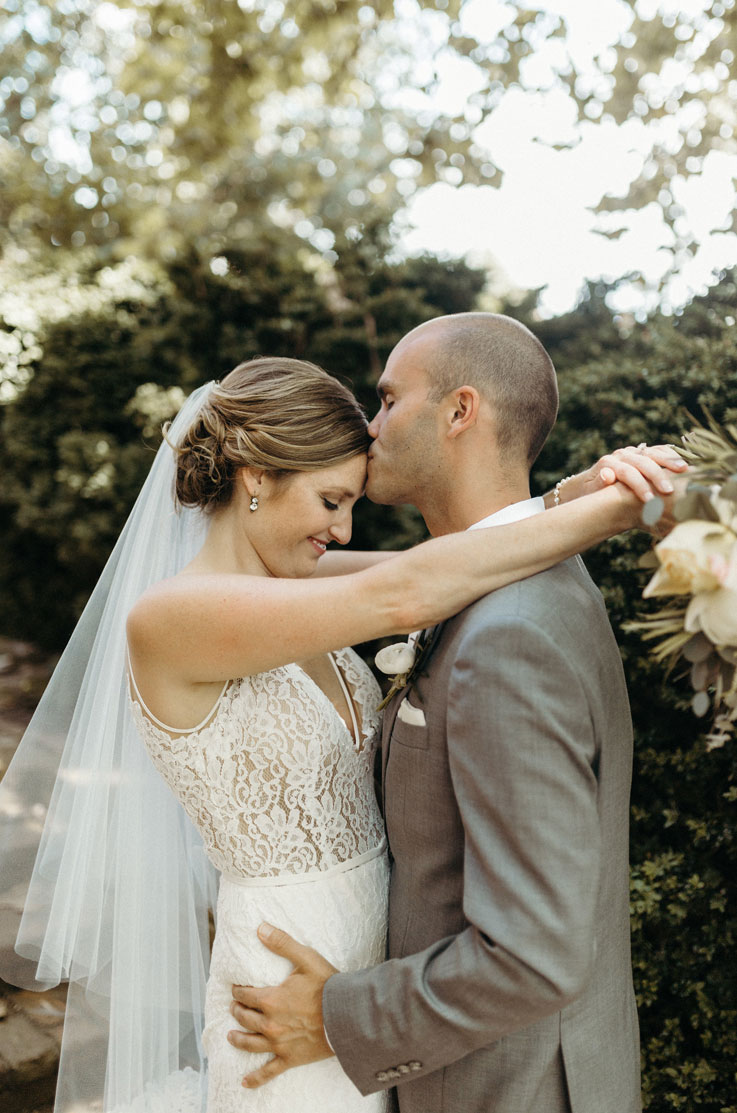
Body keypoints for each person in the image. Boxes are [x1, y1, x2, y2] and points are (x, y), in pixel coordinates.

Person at [0, 351, 676, 1113]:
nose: (342, 527)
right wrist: (625, 511)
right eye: (329, 500)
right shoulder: (172, 615)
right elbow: (405, 592)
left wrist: (568, 495)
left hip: (365, 978)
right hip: (285, 979)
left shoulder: (290, 578)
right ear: (255, 476)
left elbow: (439, 563)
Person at [227, 318, 681, 1113]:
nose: (371, 426)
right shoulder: (518, 578)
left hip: (508, 1086)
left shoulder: (505, 636)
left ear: (460, 410)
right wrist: (564, 501)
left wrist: (337, 1019)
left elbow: (534, 953)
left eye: (389, 398)